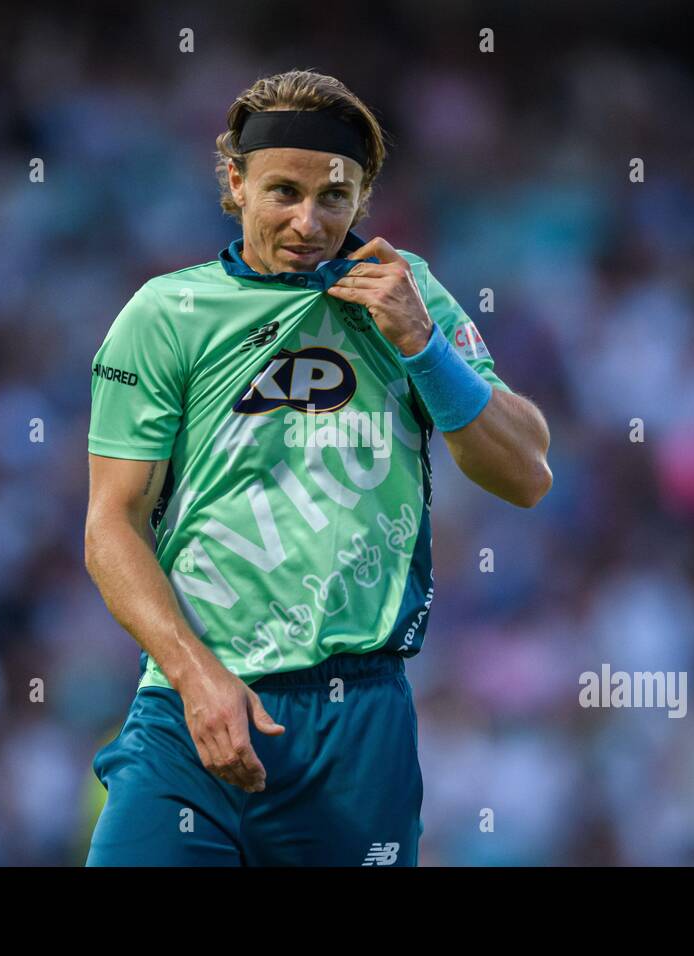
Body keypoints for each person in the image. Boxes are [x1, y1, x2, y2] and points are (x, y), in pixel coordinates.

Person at [83, 68, 552, 866]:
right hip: (193, 705)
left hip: (358, 726)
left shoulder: (408, 296)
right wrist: (196, 677)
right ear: (235, 183)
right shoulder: (166, 315)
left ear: (363, 198)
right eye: (283, 192)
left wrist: (422, 347)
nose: (309, 221)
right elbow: (111, 525)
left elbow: (527, 471)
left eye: (334, 196)